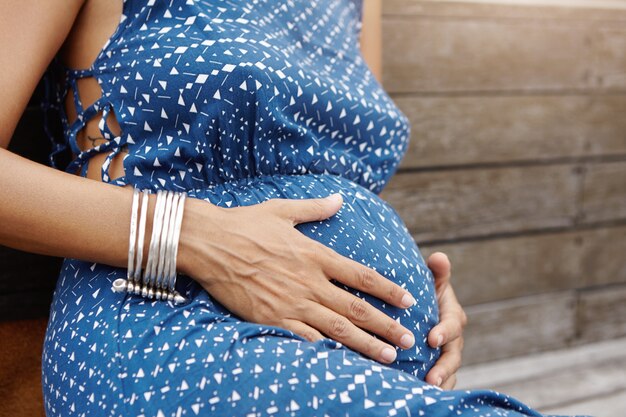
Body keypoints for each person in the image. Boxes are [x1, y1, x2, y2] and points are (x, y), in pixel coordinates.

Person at [0, 1, 586, 416]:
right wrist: (196, 235)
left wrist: (425, 294)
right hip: (165, 315)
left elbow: (334, 179)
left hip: (370, 351)